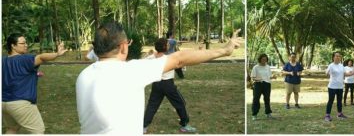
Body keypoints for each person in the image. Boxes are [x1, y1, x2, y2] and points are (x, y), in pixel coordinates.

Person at [76, 21, 242, 134]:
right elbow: (179, 58)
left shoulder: (83, 76)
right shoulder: (130, 72)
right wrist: (224, 51)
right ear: (123, 47)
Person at [2, 34, 67, 134]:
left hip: (4, 103)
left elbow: (12, 74)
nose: (26, 45)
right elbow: (41, 57)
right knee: (38, 131)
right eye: (22, 43)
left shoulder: (3, 61)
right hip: (20, 104)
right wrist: (57, 54)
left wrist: (35, 74)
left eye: (26, 42)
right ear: (13, 46)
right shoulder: (25, 59)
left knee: (12, 129)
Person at [143, 38, 196, 134]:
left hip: (156, 84)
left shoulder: (151, 58)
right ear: (164, 47)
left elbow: (144, 61)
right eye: (167, 44)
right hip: (168, 85)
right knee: (180, 103)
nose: (168, 45)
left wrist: (151, 55)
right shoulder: (169, 58)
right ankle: (184, 125)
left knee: (152, 105)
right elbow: (182, 61)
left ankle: (143, 127)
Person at [324, 52, 354, 121]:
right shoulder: (331, 65)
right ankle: (327, 115)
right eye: (336, 56)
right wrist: (327, 73)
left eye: (339, 56)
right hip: (332, 86)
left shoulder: (341, 66)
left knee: (339, 101)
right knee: (330, 101)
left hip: (340, 86)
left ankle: (339, 114)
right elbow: (326, 73)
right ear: (333, 57)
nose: (338, 57)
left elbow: (345, 74)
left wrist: (353, 73)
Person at [251, 53, 273, 120]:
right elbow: (253, 77)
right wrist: (258, 79)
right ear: (260, 60)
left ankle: (268, 113)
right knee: (256, 99)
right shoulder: (256, 67)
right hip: (258, 84)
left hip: (267, 84)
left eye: (265, 60)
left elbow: (269, 76)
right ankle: (254, 114)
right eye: (263, 59)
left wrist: (273, 77)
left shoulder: (268, 67)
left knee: (267, 98)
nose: (264, 61)